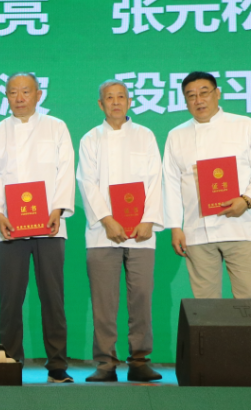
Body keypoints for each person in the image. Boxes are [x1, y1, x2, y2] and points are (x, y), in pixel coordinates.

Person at [0, 72, 75, 383]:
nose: (19, 98)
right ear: (6, 96)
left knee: (53, 298)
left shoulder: (56, 127)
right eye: (13, 92)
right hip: (9, 227)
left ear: (38, 94)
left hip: (49, 226)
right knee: (10, 300)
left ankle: (57, 365)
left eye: (26, 91)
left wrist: (58, 208)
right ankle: (9, 362)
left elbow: (66, 170)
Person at [76, 80, 163, 383]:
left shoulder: (145, 135)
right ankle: (105, 363)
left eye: (121, 97)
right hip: (102, 233)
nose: (115, 102)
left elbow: (155, 180)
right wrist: (106, 219)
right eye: (109, 98)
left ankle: (139, 360)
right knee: (104, 301)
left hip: (141, 231)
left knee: (141, 298)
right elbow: (86, 182)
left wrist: (149, 219)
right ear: (100, 104)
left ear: (129, 101)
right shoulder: (90, 139)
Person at [163, 71, 251, 299]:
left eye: (204, 93)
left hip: (239, 225)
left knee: (247, 299)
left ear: (218, 93)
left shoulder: (244, 125)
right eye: (191, 95)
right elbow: (171, 183)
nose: (199, 100)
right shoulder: (176, 135)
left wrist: (247, 200)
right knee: (205, 306)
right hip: (197, 230)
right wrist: (175, 226)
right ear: (185, 101)